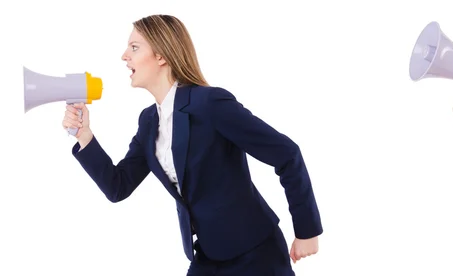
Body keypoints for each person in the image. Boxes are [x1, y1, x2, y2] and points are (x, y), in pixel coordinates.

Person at [62, 14, 323, 276]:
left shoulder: (210, 104)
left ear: (161, 56)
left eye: (134, 47)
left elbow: (287, 154)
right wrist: (84, 135)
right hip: (208, 257)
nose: (124, 56)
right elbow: (118, 186)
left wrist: (307, 231)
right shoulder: (149, 121)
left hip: (255, 253)